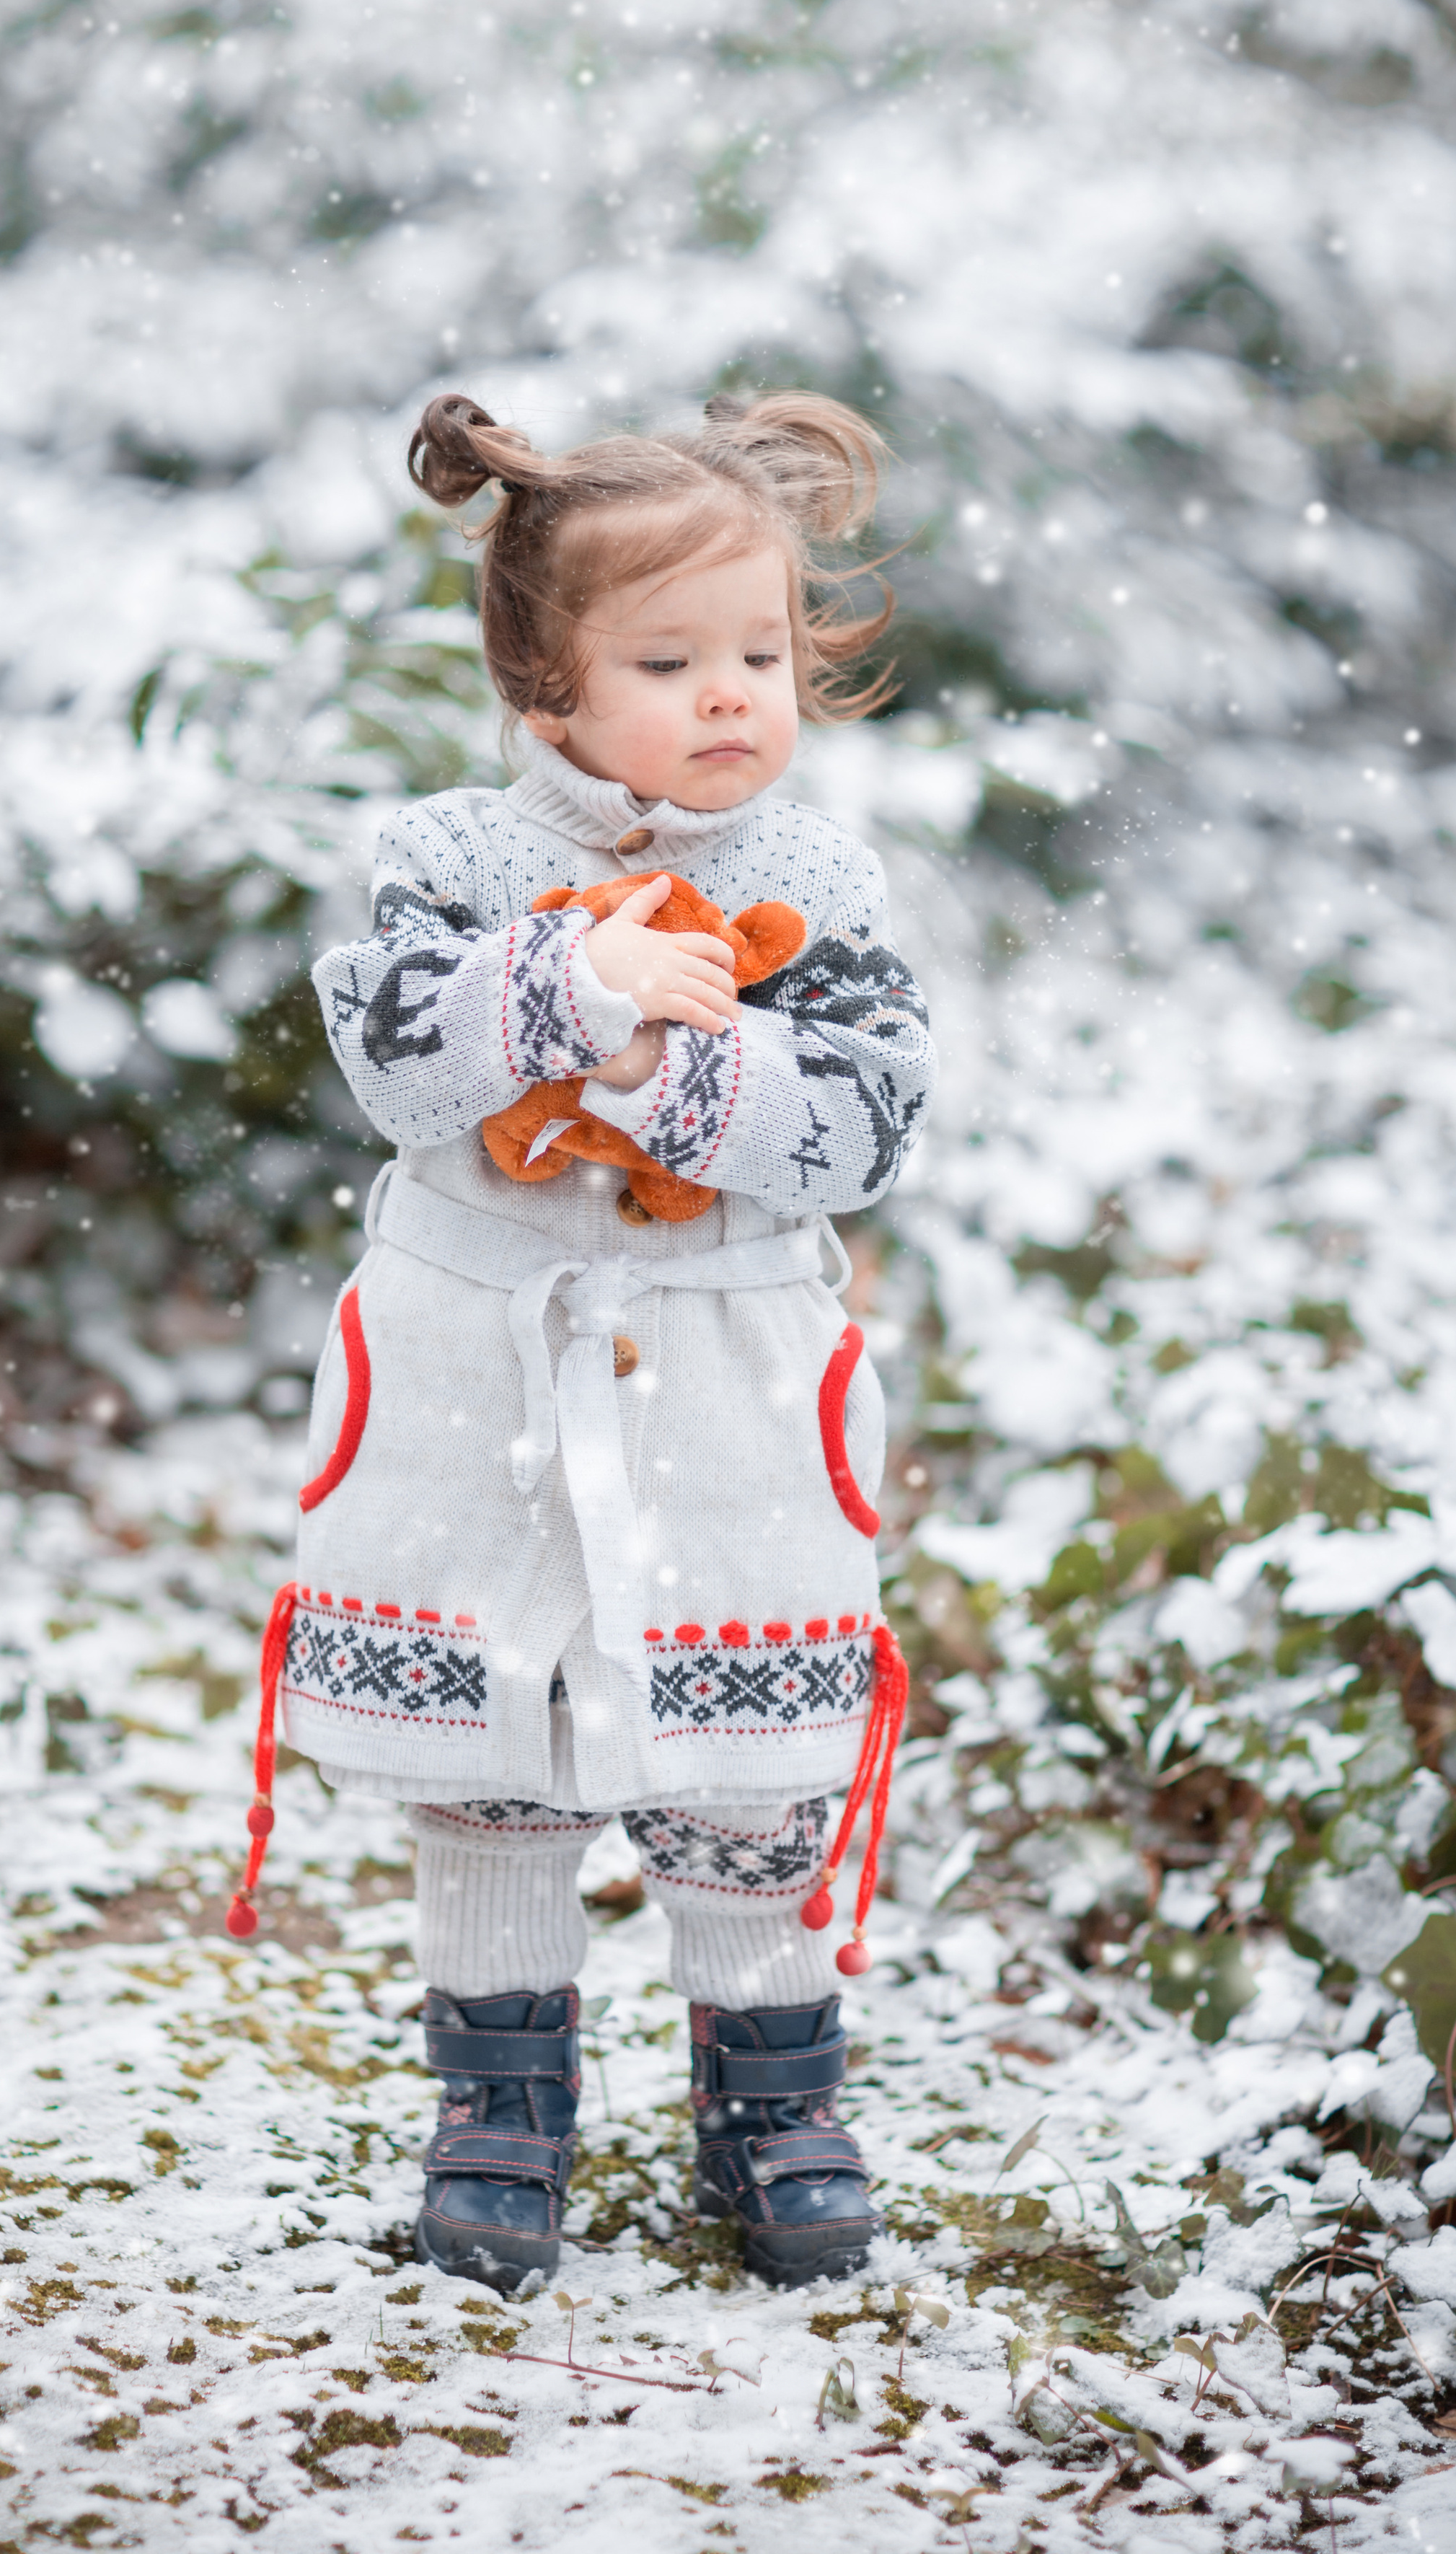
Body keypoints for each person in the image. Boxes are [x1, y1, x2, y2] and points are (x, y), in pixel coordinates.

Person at [229, 387, 937, 2292]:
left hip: (726, 1381)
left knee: (748, 1756)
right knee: (499, 1738)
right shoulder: (450, 858)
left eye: (761, 654)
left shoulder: (826, 888)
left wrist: (678, 1072)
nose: (733, 694)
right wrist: (571, 985)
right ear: (547, 688)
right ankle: (500, 2096)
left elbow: (869, 1122)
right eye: (670, 658)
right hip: (486, 1369)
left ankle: (773, 2087)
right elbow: (396, 1059)